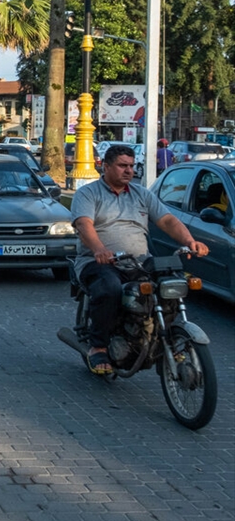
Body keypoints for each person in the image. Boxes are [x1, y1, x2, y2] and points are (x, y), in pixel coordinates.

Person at [71, 144, 209, 375]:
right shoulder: (88, 193)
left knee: (171, 284)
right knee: (110, 288)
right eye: (122, 165)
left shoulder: (142, 194)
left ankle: (166, 337)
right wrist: (99, 249)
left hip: (139, 261)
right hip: (98, 262)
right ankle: (98, 347)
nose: (128, 170)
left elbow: (167, 221)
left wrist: (189, 241)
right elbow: (83, 224)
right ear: (106, 167)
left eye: (131, 166)